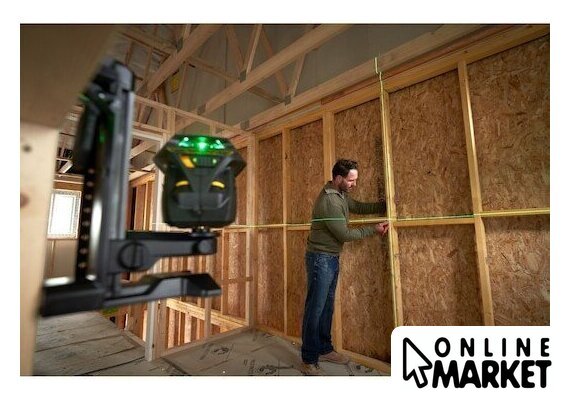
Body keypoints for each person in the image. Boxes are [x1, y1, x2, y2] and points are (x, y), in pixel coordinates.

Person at [300, 159, 389, 376]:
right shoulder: (330, 201)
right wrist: (374, 229)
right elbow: (344, 235)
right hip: (320, 259)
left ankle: (324, 348)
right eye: (351, 180)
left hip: (330, 258)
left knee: (327, 307)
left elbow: (357, 206)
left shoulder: (340, 194)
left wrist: (385, 205)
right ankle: (309, 359)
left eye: (355, 180)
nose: (354, 184)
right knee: (315, 309)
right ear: (339, 178)